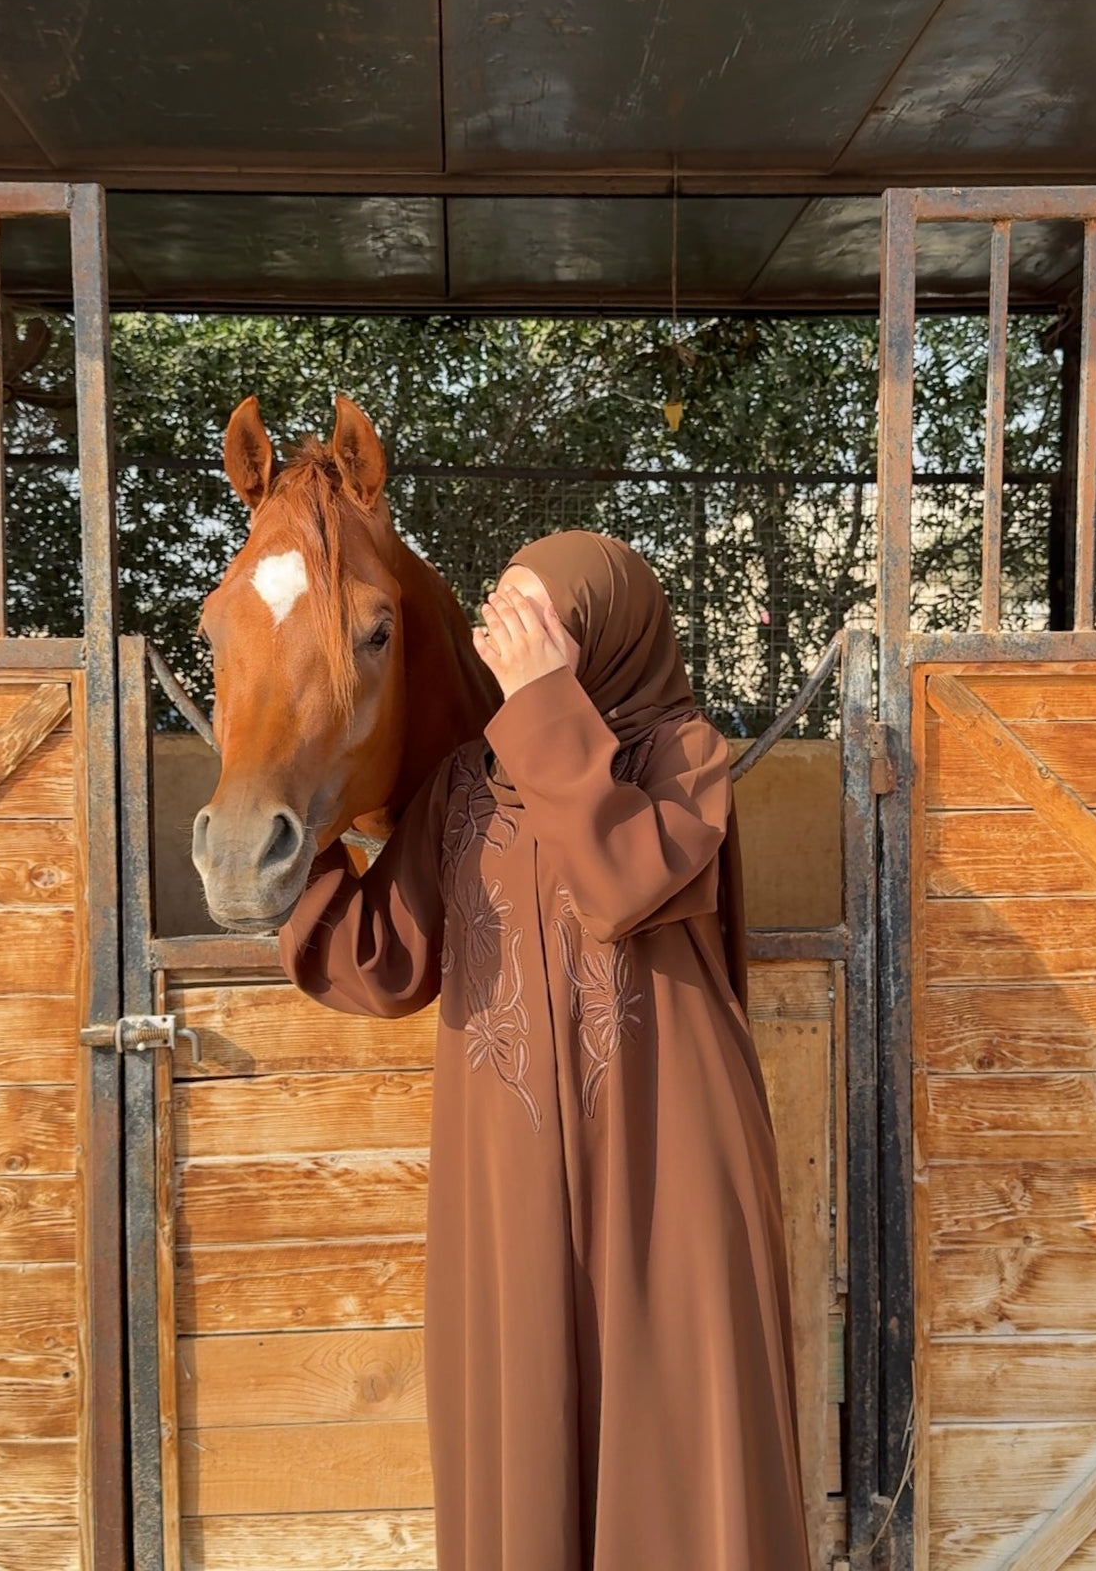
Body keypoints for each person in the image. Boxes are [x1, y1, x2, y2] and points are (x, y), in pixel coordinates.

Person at [279, 531, 808, 1571]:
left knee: (679, 1423)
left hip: (669, 1160)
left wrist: (542, 710)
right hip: (508, 1172)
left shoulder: (682, 760)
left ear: (605, 633)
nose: (508, 633)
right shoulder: (465, 791)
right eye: (502, 607)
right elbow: (381, 959)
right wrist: (300, 815)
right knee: (523, 1421)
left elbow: (618, 880)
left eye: (539, 612)